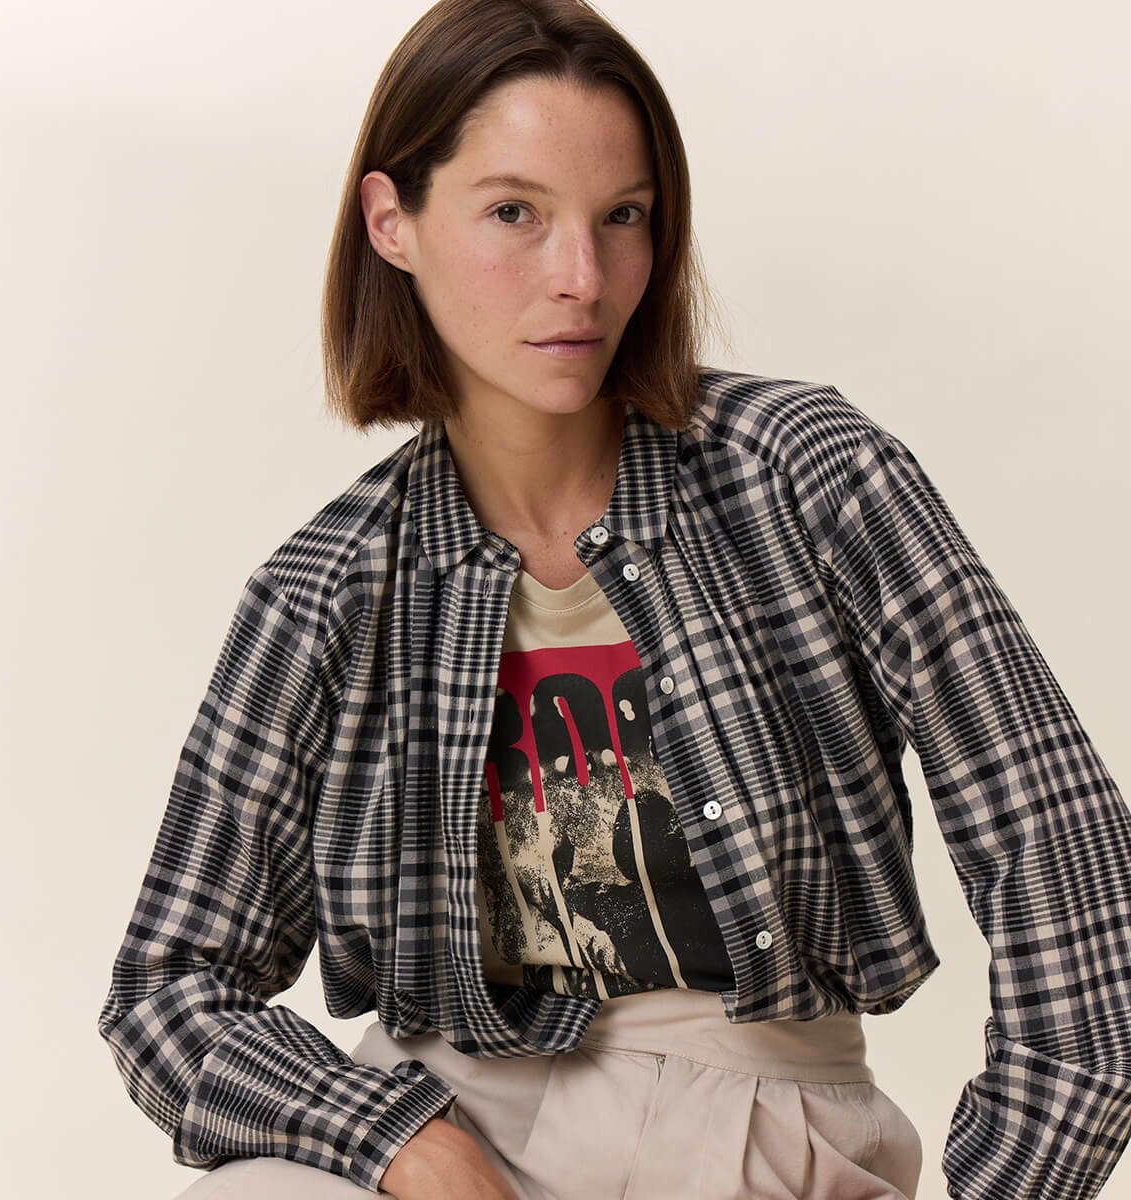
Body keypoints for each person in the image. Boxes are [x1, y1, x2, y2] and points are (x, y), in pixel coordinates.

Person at [97, 2, 1131, 1198]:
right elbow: (169, 990)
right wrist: (397, 1142)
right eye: (514, 213)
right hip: (446, 1120)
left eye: (623, 217)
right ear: (393, 222)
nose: (581, 279)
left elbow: (1060, 846)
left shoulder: (805, 476)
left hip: (754, 1127)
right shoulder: (329, 589)